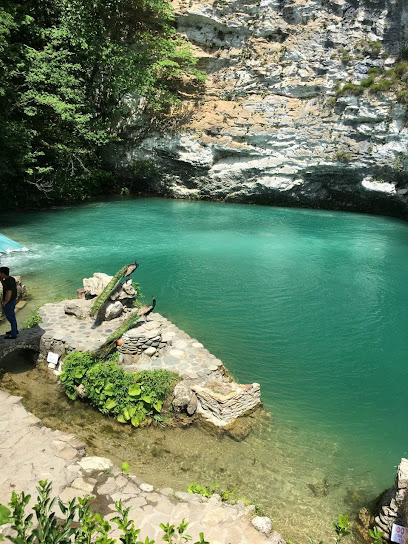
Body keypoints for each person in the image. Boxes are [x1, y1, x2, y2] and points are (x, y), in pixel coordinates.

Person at [0, 266, 18, 339]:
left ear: (2, 273)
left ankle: (13, 334)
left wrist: (5, 302)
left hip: (9, 302)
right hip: (13, 301)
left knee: (10, 317)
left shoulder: (8, 282)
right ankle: (14, 330)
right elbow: (5, 284)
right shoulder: (11, 279)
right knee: (12, 316)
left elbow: (9, 292)